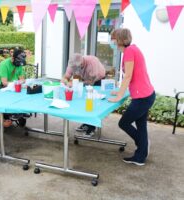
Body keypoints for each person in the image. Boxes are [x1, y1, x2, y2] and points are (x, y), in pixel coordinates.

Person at [108, 28, 155, 166]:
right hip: (146, 95)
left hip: (143, 97)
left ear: (119, 40)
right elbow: (132, 75)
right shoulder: (132, 50)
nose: (112, 41)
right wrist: (118, 91)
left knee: (123, 123)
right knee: (141, 126)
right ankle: (140, 155)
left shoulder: (129, 52)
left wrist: (119, 96)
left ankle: (143, 144)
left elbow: (128, 75)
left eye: (113, 38)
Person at [62, 53, 106, 135]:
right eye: (73, 67)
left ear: (82, 63)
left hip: (97, 80)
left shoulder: (92, 62)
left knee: (92, 102)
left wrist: (75, 83)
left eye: (77, 67)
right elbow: (67, 76)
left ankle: (92, 127)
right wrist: (65, 80)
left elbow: (90, 82)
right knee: (83, 102)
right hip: (84, 79)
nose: (75, 69)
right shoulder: (72, 63)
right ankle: (86, 123)